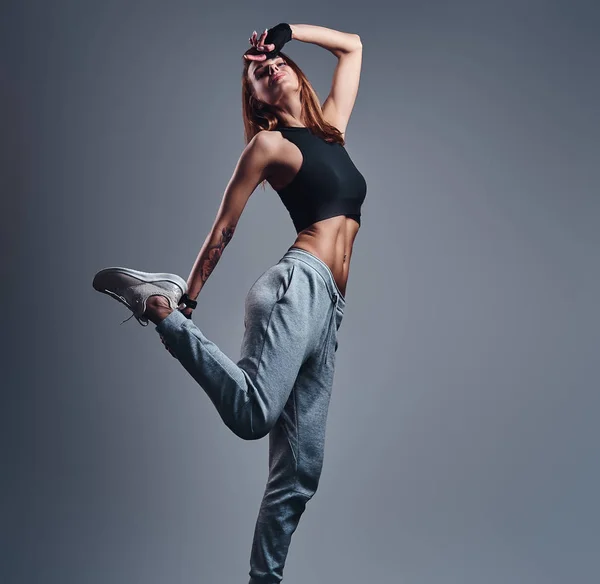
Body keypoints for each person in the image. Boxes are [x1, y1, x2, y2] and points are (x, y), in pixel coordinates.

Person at [92, 23, 366, 584]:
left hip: (330, 309)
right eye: (257, 75)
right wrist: (188, 299)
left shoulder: (331, 131)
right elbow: (224, 229)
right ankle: (161, 308)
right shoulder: (268, 146)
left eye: (275, 63)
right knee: (251, 416)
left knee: (301, 471)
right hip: (297, 287)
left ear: (294, 69)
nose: (270, 69)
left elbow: (352, 46)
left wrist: (286, 32)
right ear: (257, 102)